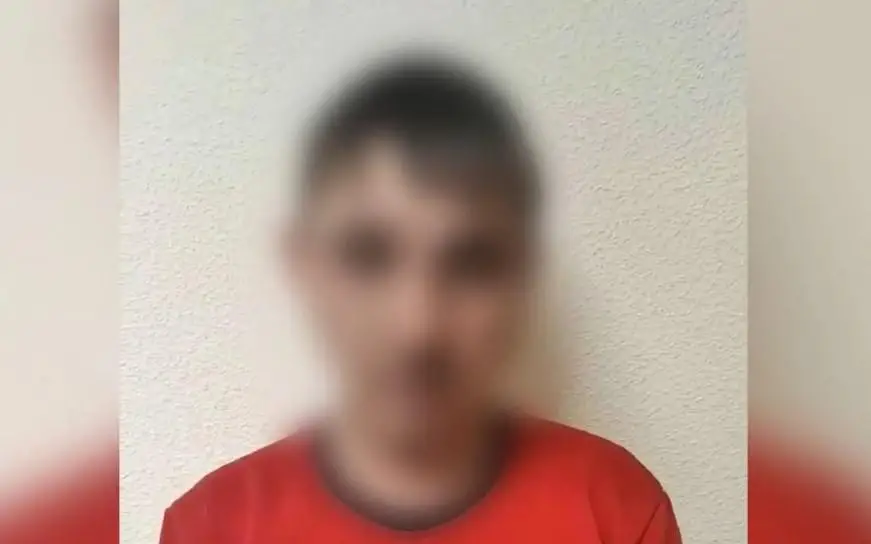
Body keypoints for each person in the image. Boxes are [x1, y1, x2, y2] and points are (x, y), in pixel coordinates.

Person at [158, 54, 681, 544]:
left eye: (471, 262)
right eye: (369, 256)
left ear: (521, 276)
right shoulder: (211, 526)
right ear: (304, 265)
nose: (419, 327)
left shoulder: (616, 507)